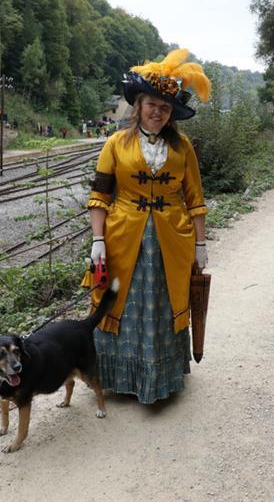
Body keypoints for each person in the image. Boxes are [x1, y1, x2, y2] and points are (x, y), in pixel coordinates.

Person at [85, 48, 210, 404]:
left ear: (172, 115)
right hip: (123, 237)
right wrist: (98, 240)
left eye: (165, 108)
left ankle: (160, 379)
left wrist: (200, 245)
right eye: (152, 105)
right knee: (117, 299)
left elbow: (195, 200)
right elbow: (99, 196)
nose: (157, 113)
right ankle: (116, 377)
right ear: (138, 106)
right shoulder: (115, 144)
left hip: (172, 239)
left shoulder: (182, 147)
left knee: (162, 302)